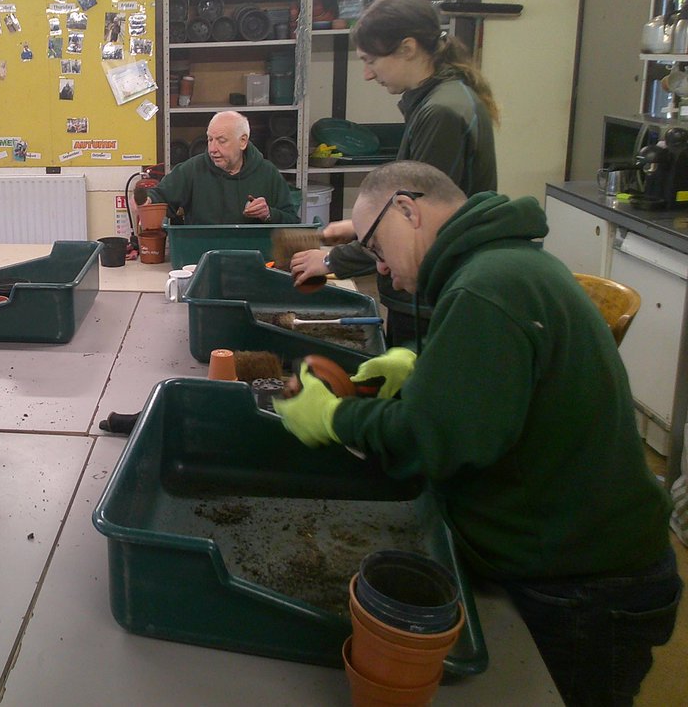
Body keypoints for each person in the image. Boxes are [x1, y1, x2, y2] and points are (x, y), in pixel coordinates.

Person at [273, 161, 681, 706]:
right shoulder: (503, 266)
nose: (384, 271)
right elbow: (501, 383)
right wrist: (421, 363)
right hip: (566, 551)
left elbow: (432, 441)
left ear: (407, 210)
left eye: (375, 248)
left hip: (584, 586)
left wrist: (332, 418)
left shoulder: (488, 289)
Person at [289, 0, 498, 345]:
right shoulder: (444, 99)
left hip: (429, 295)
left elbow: (415, 224)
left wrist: (331, 261)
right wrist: (359, 226)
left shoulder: (440, 113)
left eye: (371, 60)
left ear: (407, 48)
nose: (368, 75)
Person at [138, 110, 301, 223]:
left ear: (243, 141)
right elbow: (160, 197)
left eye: (221, 141)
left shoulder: (268, 173)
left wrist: (268, 214)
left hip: (253, 256)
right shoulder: (192, 169)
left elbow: (292, 221)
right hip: (201, 256)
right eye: (210, 140)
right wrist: (147, 201)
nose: (212, 149)